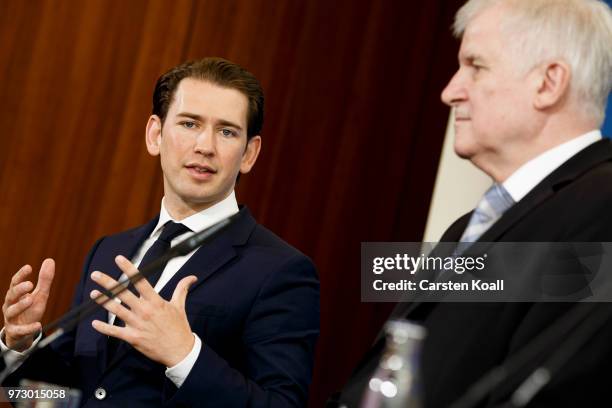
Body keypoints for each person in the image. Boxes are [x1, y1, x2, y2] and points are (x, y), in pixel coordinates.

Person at [333, 0, 612, 406]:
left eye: (476, 66)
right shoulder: (469, 225)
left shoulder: (602, 209)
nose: (450, 92)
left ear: (549, 83)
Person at [1, 57, 320, 407]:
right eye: (189, 123)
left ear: (249, 153)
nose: (205, 146)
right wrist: (20, 347)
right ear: (155, 134)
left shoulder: (281, 271)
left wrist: (185, 355)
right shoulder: (109, 250)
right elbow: (73, 392)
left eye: (227, 131)